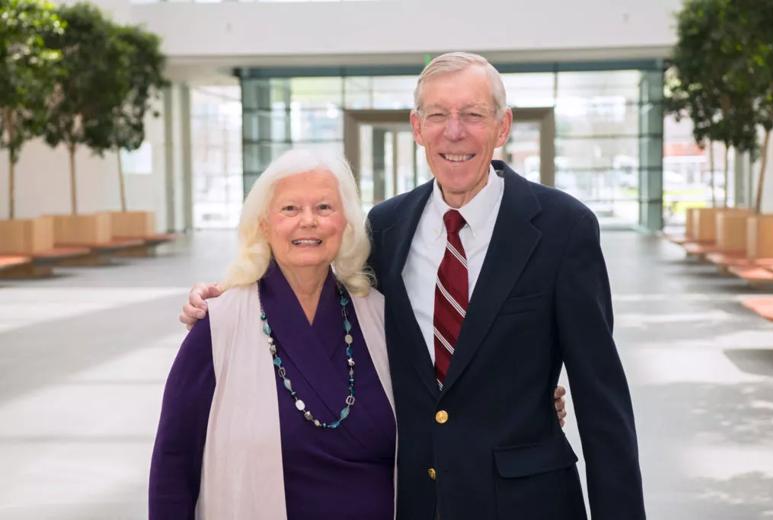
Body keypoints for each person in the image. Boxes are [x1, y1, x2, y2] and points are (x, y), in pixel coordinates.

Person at [181, 52, 643, 519]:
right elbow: (324, 300)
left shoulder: (564, 228)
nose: (454, 131)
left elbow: (602, 400)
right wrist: (225, 298)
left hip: (530, 504)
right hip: (417, 502)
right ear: (417, 128)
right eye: (438, 115)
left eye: (473, 115)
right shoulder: (385, 228)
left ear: (503, 127)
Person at [154, 148, 568, 519]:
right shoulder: (220, 326)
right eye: (290, 208)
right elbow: (174, 463)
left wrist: (528, 401)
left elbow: (445, 390)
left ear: (346, 222)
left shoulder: (379, 314)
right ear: (263, 224)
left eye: (324, 206)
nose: (308, 221)